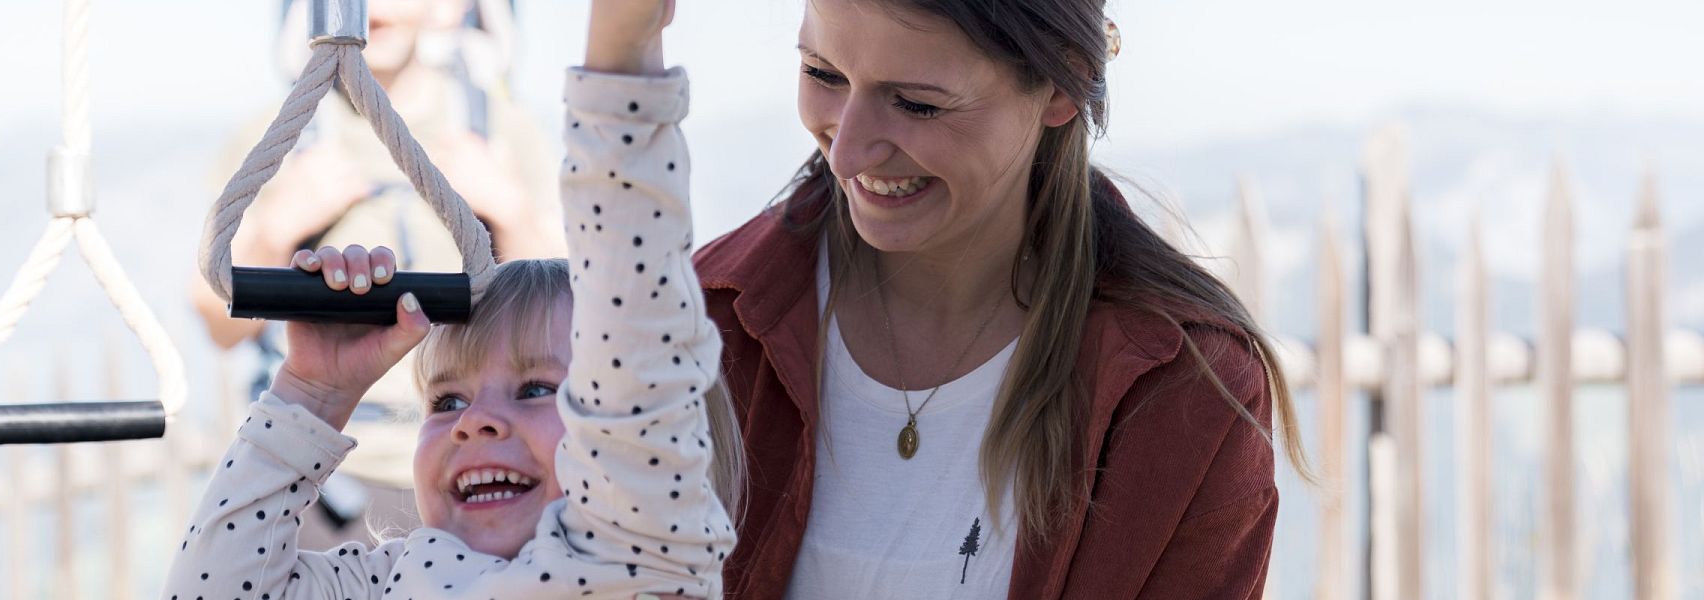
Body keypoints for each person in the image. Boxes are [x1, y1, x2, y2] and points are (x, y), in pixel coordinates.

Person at [645, 0, 1312, 596]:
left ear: (1061, 82)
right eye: (823, 74)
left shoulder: (1185, 394)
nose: (845, 153)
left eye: (916, 103)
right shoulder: (707, 325)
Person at [162, 1, 742, 592]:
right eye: (446, 402)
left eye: (537, 390)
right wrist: (313, 392)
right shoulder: (403, 575)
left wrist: (622, 41)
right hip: (338, 475)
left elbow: (611, 295)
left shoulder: (636, 552)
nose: (474, 422)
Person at [187, 0, 566, 537]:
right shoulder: (279, 137)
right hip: (328, 480)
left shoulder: (504, 131)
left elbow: (569, 311)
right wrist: (277, 227)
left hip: (477, 467)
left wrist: (509, 210)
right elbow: (215, 321)